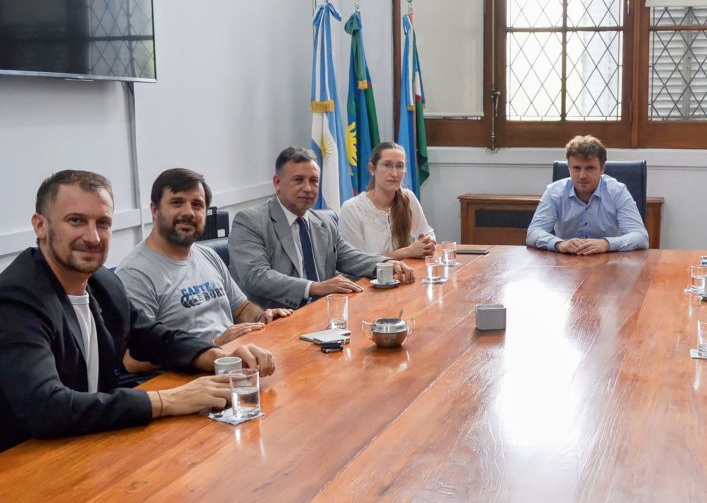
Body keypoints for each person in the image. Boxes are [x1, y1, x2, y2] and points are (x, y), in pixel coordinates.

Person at [0, 170, 276, 452]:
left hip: (93, 442)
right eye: (76, 221)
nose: (93, 237)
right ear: (40, 226)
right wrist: (167, 400)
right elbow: (46, 407)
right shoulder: (15, 298)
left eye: (103, 223)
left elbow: (155, 337)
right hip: (25, 463)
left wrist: (221, 357)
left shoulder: (103, 282)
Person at [116, 168, 293, 353]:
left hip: (232, 362)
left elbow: (241, 308)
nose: (189, 213)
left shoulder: (207, 255)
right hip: (187, 376)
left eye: (197, 205)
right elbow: (132, 359)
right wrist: (212, 346)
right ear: (155, 211)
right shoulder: (135, 274)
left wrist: (262, 319)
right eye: (177, 203)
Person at [229, 147, 415, 310]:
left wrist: (384, 263)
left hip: (325, 313)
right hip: (276, 321)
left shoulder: (324, 221)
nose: (308, 188)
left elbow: (349, 256)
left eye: (314, 181)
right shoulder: (250, 221)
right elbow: (256, 276)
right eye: (298, 180)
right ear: (277, 183)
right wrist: (315, 287)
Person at [526, 134, 648, 255]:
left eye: (590, 168)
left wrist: (606, 244)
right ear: (569, 168)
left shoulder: (618, 192)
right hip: (566, 262)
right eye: (576, 168)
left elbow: (640, 236)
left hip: (609, 261)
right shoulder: (554, 192)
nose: (582, 176)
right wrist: (559, 244)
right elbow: (533, 233)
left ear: (602, 168)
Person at [339, 142, 436, 258]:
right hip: (369, 276)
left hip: (407, 273)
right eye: (387, 165)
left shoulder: (408, 198)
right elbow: (355, 263)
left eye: (400, 166)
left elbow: (428, 232)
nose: (394, 174)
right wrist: (408, 251)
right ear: (372, 168)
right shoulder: (352, 208)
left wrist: (427, 242)